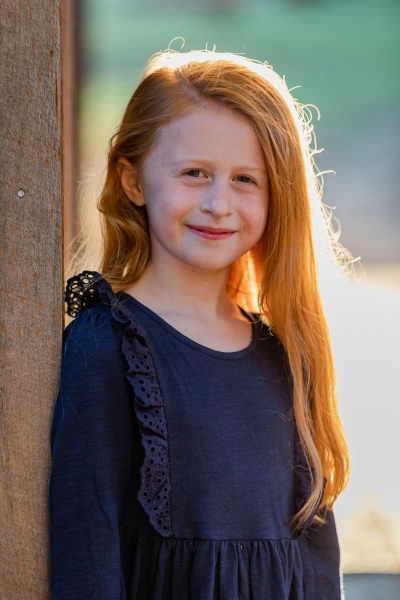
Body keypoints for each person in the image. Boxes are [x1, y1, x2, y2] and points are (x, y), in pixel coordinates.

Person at [49, 49, 350, 599]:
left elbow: (316, 560)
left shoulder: (285, 352)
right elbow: (86, 550)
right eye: (194, 173)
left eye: (245, 179)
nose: (218, 203)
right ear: (133, 181)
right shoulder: (108, 348)